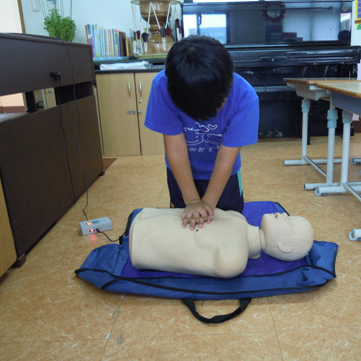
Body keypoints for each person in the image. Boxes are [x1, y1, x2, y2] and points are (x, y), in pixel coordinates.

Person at [144, 35, 259, 231]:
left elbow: (225, 158)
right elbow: (176, 150)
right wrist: (191, 200)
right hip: (180, 172)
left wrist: (206, 205)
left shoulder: (245, 98)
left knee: (227, 228)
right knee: (186, 230)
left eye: (218, 105)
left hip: (225, 174)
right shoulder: (163, 86)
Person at [129, 208, 314, 278]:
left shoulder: (234, 261)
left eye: (290, 222)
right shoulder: (239, 219)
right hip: (149, 218)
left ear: (285, 246)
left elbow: (185, 261)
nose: (284, 215)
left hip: (144, 243)